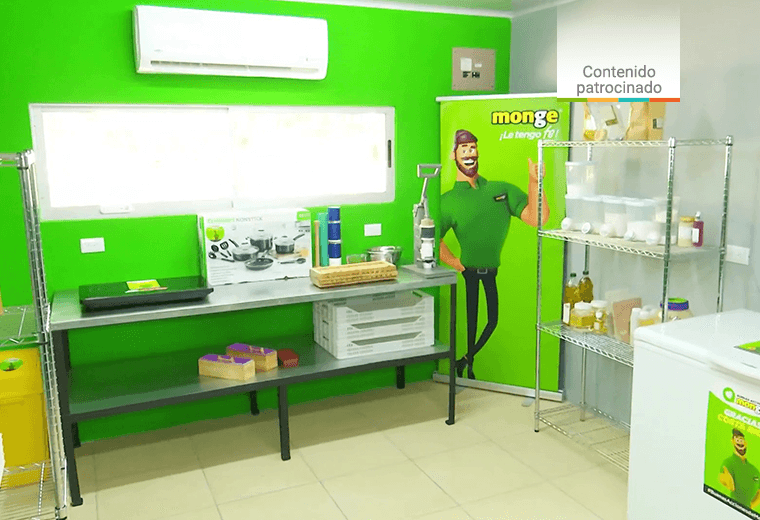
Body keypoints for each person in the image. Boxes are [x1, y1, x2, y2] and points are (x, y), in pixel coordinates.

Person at [439, 129, 549, 380]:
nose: (470, 153)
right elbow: (433, 239)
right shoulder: (448, 201)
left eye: (473, 148)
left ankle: (465, 359)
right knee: (471, 321)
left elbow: (537, 218)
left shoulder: (501, 190)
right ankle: (469, 367)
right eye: (464, 148)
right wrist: (454, 262)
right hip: (469, 272)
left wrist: (535, 183)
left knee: (492, 320)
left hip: (491, 271)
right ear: (454, 155)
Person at [719, 428, 760, 510]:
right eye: (737, 440)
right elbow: (730, 486)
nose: (740, 443)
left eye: (742, 440)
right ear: (733, 441)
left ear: (746, 443)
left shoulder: (754, 470)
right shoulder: (728, 463)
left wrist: (749, 508)